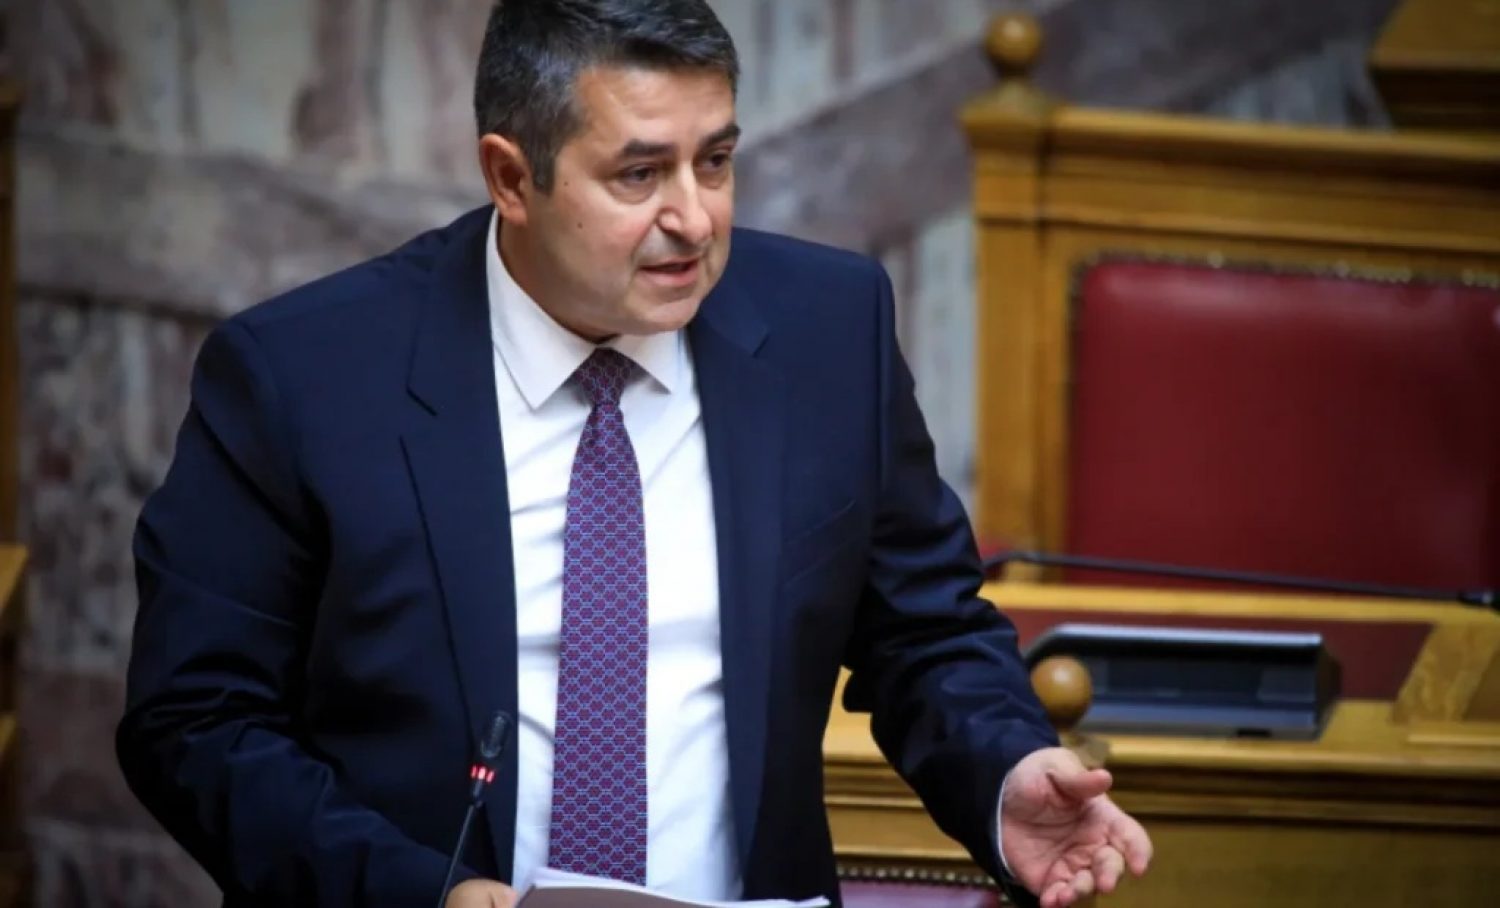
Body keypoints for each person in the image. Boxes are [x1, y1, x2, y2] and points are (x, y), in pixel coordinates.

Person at [117, 2, 1152, 907]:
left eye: (716, 161)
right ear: (511, 176)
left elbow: (924, 630)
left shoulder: (827, 332)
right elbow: (196, 720)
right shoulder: (303, 376)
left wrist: (1003, 772)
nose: (693, 219)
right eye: (640, 173)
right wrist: (416, 892)